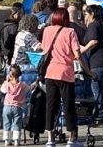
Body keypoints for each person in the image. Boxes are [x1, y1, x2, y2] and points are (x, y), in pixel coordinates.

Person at [37, 10, 82, 146]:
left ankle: (50, 138)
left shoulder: (47, 30)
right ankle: (71, 138)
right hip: (65, 72)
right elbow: (78, 55)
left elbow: (44, 49)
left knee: (51, 105)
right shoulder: (70, 32)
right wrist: (88, 71)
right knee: (68, 106)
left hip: (50, 72)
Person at [78, 5, 103, 102]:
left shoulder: (94, 25)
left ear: (92, 14)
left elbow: (94, 41)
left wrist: (82, 51)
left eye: (86, 14)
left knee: (97, 88)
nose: (85, 17)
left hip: (98, 62)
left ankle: (101, 109)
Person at [0, 64, 30, 146]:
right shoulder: (22, 85)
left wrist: (6, 81)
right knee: (17, 123)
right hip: (17, 107)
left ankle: (7, 140)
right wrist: (35, 84)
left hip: (7, 107)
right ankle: (16, 140)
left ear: (10, 75)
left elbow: (2, 90)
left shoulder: (7, 84)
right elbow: (29, 88)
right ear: (19, 75)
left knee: (6, 123)